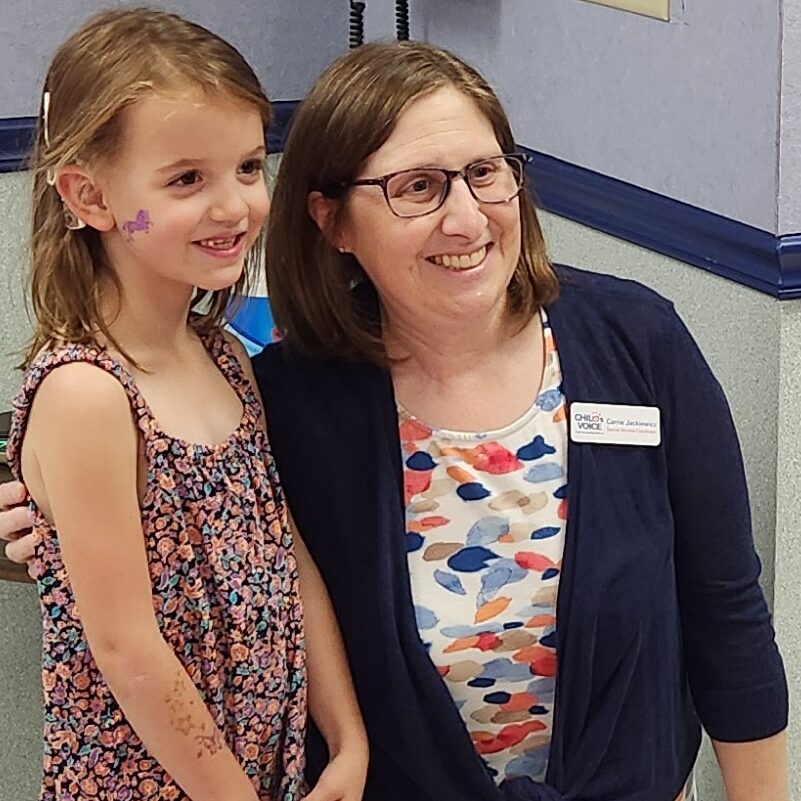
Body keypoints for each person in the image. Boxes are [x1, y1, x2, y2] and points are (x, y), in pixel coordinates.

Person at [3, 39, 788, 801]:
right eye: (416, 187)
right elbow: (181, 529)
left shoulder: (635, 343)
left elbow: (725, 613)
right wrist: (44, 519)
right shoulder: (291, 398)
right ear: (333, 221)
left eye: (484, 173)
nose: (465, 218)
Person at [3, 10, 366, 801]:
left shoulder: (227, 358)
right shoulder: (87, 394)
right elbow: (127, 649)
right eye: (185, 180)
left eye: (245, 166)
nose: (235, 206)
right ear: (89, 195)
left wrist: (346, 734)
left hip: (261, 765)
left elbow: (285, 552)